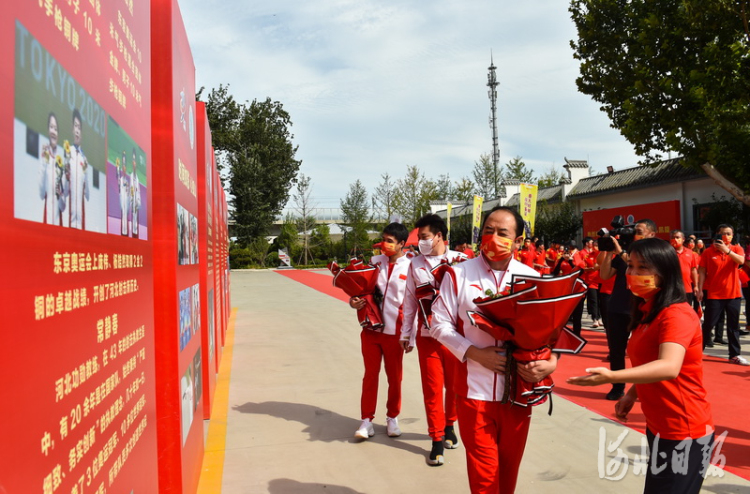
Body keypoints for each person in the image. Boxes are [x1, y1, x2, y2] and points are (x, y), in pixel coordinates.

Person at [568, 238, 714, 494]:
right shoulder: (649, 310)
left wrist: (612, 376)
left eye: (642, 267)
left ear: (665, 272)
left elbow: (669, 366)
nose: (632, 274)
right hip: (659, 426)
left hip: (685, 430)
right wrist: (632, 394)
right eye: (631, 266)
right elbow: (650, 362)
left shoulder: (676, 314)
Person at [431, 206, 558, 494]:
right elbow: (438, 324)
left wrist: (551, 363)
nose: (493, 238)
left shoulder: (532, 278)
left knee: (509, 471)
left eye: (503, 233)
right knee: (485, 475)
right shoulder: (459, 274)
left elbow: (552, 335)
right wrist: (473, 352)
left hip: (518, 394)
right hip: (474, 393)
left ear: (518, 241)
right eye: (488, 230)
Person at [401, 214, 467, 465]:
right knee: (431, 389)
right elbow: (409, 301)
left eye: (425, 237)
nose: (421, 242)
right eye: (419, 238)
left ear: (440, 236)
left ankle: (450, 423)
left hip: (455, 337)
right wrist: (406, 334)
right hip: (427, 337)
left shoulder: (460, 262)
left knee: (455, 387)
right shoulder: (415, 264)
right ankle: (436, 438)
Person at [350, 222, 411, 439]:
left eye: (390, 241)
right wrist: (353, 301)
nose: (384, 244)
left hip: (395, 333)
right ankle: (366, 420)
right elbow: (360, 289)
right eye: (383, 239)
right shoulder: (375, 263)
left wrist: (408, 334)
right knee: (370, 376)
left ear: (402, 244)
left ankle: (392, 418)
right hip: (371, 331)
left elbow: (412, 304)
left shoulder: (410, 267)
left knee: (395, 378)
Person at [597, 219, 657, 400]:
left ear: (651, 234)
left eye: (639, 231)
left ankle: (645, 387)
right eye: (634, 231)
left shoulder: (654, 253)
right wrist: (609, 252)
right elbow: (605, 274)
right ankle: (617, 386)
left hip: (642, 308)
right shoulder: (626, 251)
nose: (634, 234)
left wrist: (621, 252)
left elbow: (642, 272)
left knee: (644, 352)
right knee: (616, 351)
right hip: (618, 306)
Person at [697, 224, 748, 365]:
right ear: (717, 234)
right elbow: (701, 271)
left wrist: (727, 251)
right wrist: (700, 289)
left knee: (733, 326)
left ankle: (734, 355)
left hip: (734, 294)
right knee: (708, 325)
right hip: (714, 295)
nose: (727, 236)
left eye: (729, 233)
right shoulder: (708, 252)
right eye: (724, 233)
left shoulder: (736, 249)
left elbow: (742, 261)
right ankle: (695, 353)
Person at [38, 112, 67, 225]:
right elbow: (41, 194)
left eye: (56, 128)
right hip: (47, 221)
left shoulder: (62, 162)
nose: (53, 131)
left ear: (58, 133)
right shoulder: (44, 158)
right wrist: (44, 162)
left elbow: (63, 207)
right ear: (48, 130)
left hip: (59, 224)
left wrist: (59, 195)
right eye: (51, 127)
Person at [67, 108, 90, 229]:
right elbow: (64, 192)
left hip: (81, 222)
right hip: (69, 221)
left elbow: (87, 195)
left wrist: (86, 175)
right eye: (75, 126)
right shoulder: (67, 152)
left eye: (79, 128)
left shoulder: (84, 158)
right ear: (72, 129)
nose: (77, 131)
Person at [577, 237, 602, 328]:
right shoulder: (587, 255)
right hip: (590, 281)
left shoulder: (602, 254)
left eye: (597, 245)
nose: (595, 247)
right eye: (594, 245)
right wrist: (592, 269)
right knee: (593, 300)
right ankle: (595, 318)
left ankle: (599, 317)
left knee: (600, 301)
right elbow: (582, 268)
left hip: (602, 281)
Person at [670, 230, 699, 308]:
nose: (675, 239)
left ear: (683, 239)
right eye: (673, 237)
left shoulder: (690, 253)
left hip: (687, 288)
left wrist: (696, 286)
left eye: (677, 237)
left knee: (687, 309)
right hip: (672, 289)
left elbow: (693, 270)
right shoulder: (668, 252)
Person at [117, 151, 130, 236]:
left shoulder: (127, 181)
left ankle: (125, 231)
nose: (124, 170)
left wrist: (128, 189)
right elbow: (119, 187)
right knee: (123, 213)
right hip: (122, 198)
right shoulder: (121, 179)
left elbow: (128, 191)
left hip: (126, 198)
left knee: (125, 213)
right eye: (123, 168)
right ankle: (123, 231)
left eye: (125, 169)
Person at [130, 149, 141, 237]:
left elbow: (139, 191)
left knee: (136, 215)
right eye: (133, 162)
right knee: (133, 215)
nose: (134, 164)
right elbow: (131, 188)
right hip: (132, 199)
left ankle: (135, 230)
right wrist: (132, 198)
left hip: (136, 200)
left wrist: (138, 201)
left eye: (135, 162)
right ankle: (133, 230)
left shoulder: (137, 178)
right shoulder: (131, 177)